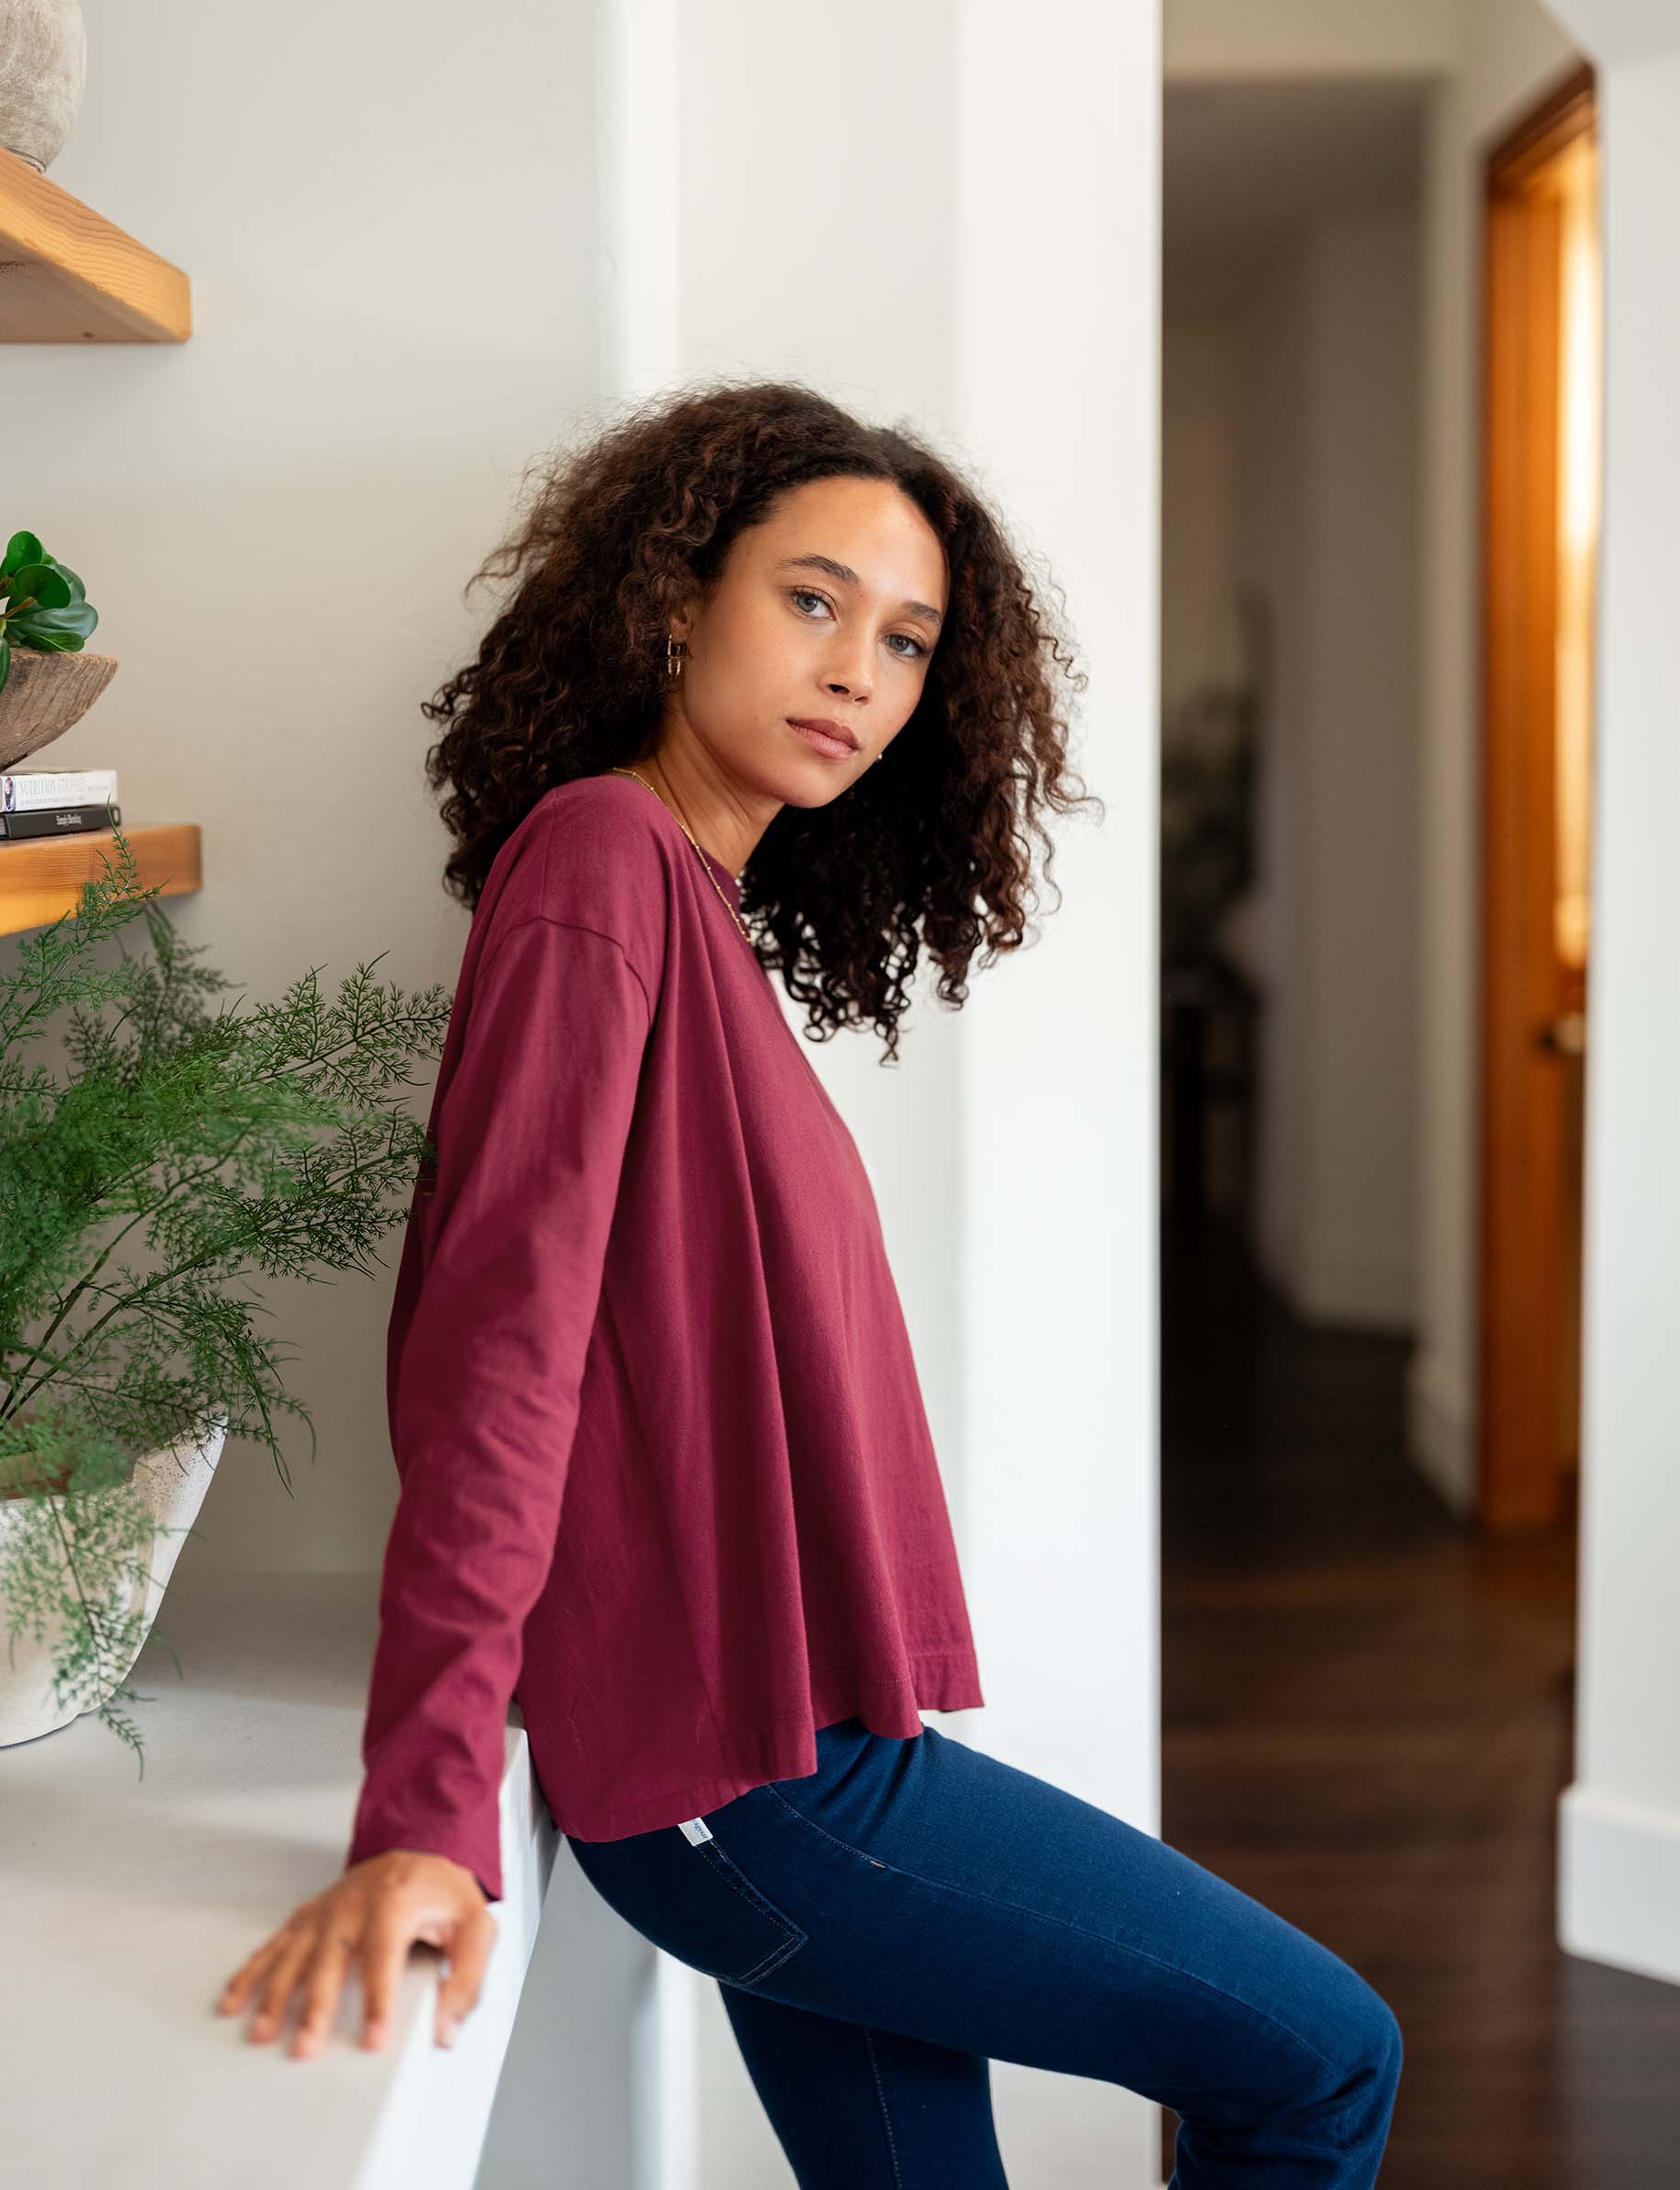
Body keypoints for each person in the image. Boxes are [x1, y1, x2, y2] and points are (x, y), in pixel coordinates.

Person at [214, 378, 1402, 2185]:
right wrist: (424, 1812)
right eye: (814, 599)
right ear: (678, 597)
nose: (860, 668)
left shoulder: (692, 903)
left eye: (909, 639)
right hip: (754, 1789)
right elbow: (498, 1350)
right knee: (1325, 2063)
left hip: (785, 1747)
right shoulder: (602, 863)